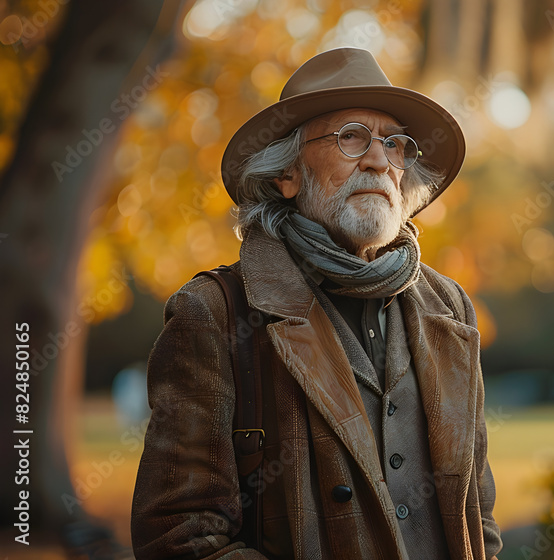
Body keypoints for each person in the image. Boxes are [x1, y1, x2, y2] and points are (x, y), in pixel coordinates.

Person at [131, 47, 502, 560]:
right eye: (351, 137)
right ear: (287, 175)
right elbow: (180, 537)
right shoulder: (215, 313)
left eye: (395, 145)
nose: (378, 159)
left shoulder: (450, 308)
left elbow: (477, 516)